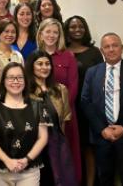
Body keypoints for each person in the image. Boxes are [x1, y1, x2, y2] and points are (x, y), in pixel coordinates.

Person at [81, 32, 123, 186]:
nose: (111, 49)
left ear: (121, 48)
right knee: (105, 178)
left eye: (115, 45)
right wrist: (102, 129)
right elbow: (85, 102)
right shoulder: (92, 72)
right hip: (102, 136)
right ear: (102, 50)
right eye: (107, 47)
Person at [0, 62, 49, 186]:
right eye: (11, 77)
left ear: (25, 81)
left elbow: (43, 138)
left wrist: (27, 160)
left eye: (20, 77)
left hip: (29, 170)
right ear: (3, 81)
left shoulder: (38, 106)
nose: (16, 81)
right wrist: (7, 160)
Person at [36, 18, 81, 182]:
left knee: (66, 157)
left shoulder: (68, 56)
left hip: (64, 115)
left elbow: (73, 86)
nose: (51, 35)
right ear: (41, 34)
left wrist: (60, 112)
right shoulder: (34, 56)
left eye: (55, 32)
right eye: (48, 31)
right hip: (39, 116)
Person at [26, 50, 77, 186]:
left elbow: (65, 119)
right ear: (32, 66)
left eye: (47, 64)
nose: (44, 67)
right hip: (34, 144)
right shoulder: (25, 91)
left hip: (57, 142)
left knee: (62, 179)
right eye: (40, 64)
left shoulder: (61, 90)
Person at [64, 15, 103, 186]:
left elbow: (101, 78)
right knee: (71, 146)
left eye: (80, 26)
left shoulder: (94, 52)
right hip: (67, 106)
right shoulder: (62, 52)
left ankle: (90, 182)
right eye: (72, 27)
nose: (77, 29)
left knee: (88, 147)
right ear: (66, 30)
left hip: (88, 107)